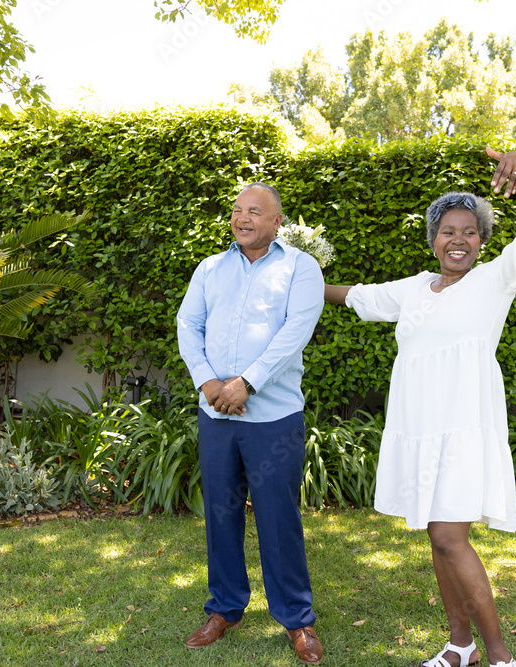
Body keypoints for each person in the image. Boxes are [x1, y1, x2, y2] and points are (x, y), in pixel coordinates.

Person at [324, 148, 516, 667]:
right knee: (438, 537)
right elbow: (353, 295)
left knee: (450, 536)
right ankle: (461, 646)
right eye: (448, 230)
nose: (459, 239)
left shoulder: (495, 280)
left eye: (470, 231)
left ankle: (499, 657)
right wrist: (296, 279)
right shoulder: (411, 290)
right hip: (419, 427)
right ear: (433, 239)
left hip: (462, 427)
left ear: (482, 241)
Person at [176, 182, 326, 664]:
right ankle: (225, 608)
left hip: (273, 417)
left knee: (278, 517)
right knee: (221, 513)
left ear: (277, 221)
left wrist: (246, 384)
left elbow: (295, 332)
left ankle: (296, 619)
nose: (243, 218)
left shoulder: (300, 268)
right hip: (215, 413)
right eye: (238, 210)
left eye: (255, 211)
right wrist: (208, 384)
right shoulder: (210, 269)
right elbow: (188, 326)